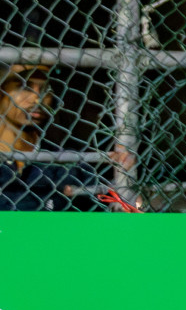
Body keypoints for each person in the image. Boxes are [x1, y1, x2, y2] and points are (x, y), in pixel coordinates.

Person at [0, 64, 133, 211]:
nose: (37, 98)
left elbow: (112, 205)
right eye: (24, 86)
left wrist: (125, 176)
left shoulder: (67, 163)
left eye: (46, 89)